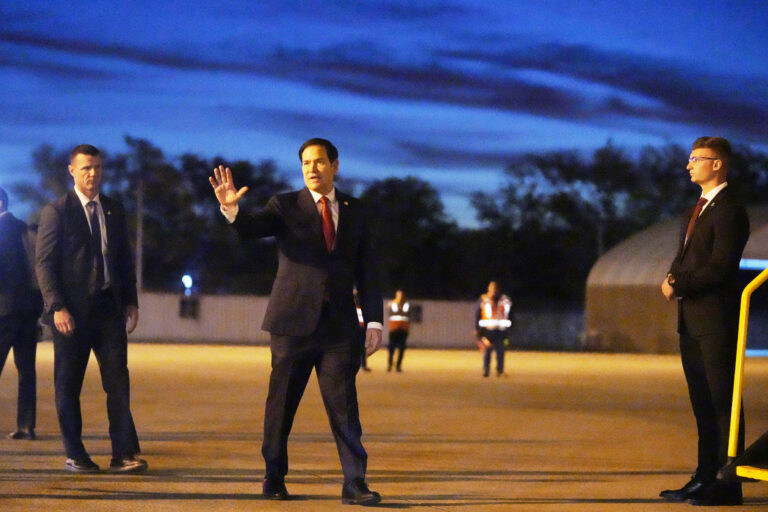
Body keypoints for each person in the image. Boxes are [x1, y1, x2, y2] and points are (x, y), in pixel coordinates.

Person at [209, 137, 383, 506]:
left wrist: (374, 321)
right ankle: (274, 476)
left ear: (335, 166)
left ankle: (355, 483)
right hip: (292, 325)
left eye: (319, 161)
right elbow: (251, 228)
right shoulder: (285, 205)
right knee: (282, 405)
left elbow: (368, 270)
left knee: (345, 408)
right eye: (305, 163)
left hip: (339, 328)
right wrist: (232, 210)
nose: (312, 168)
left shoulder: (356, 210)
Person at [35, 144, 146, 474]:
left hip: (109, 310)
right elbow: (44, 264)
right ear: (72, 170)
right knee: (68, 386)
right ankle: (76, 454)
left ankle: (122, 454)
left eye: (97, 167)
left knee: (118, 383)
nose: (93, 173)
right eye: (86, 168)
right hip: (70, 315)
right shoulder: (57, 211)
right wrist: (57, 306)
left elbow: (123, 259)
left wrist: (131, 300)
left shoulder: (114, 209)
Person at [660, 136, 749, 506]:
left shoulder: (730, 210)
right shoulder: (694, 210)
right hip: (691, 321)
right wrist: (672, 276)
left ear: (717, 164)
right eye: (690, 158)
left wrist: (677, 284)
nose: (689, 165)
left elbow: (720, 268)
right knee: (702, 404)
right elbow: (684, 258)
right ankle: (704, 476)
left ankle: (728, 484)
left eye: (696, 158)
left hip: (716, 320)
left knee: (723, 403)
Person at [0, 187, 43, 440]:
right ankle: (26, 426)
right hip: (28, 311)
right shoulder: (26, 229)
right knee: (27, 371)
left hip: (4, 312)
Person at [475, 281, 512, 377]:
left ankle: (500, 370)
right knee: (487, 351)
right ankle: (486, 371)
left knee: (501, 351)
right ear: (489, 289)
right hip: (488, 330)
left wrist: (510, 329)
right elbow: (478, 315)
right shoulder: (484, 300)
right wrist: (478, 330)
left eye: (495, 289)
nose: (494, 291)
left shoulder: (505, 300)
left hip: (501, 331)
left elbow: (510, 315)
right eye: (492, 288)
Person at [387, 289, 410, 372]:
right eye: (399, 295)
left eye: (402, 295)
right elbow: (393, 312)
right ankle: (390, 365)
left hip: (403, 329)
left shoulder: (406, 304)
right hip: (394, 328)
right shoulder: (392, 303)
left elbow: (407, 313)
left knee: (402, 348)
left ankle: (398, 366)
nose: (401, 297)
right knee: (391, 348)